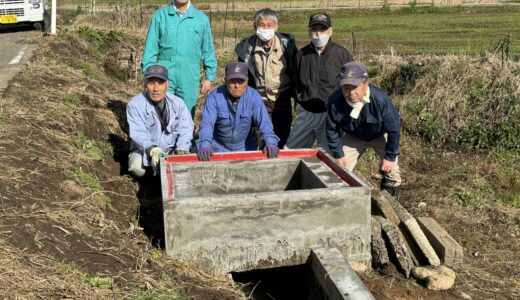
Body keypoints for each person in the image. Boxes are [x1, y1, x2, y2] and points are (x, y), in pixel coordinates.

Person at [326, 61, 401, 197]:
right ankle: (341, 200)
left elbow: (394, 130)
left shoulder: (381, 100)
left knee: (392, 171)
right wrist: (338, 153)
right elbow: (332, 129)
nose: (351, 93)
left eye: (355, 87)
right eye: (346, 88)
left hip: (379, 135)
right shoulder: (335, 100)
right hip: (353, 136)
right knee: (338, 170)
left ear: (365, 85)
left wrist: (389, 157)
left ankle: (390, 200)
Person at [285, 12, 353, 153]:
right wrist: (301, 99)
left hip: (330, 115)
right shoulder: (301, 55)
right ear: (309, 31)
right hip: (306, 113)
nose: (318, 33)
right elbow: (294, 82)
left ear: (330, 31)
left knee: (330, 157)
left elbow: (351, 83)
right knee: (290, 152)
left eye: (322, 29)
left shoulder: (342, 55)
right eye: (314, 29)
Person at [234, 8, 297, 148]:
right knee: (260, 137)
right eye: (262, 25)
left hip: (282, 98)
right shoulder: (246, 48)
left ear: (276, 27)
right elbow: (242, 75)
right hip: (259, 99)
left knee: (282, 136)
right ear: (255, 27)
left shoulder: (287, 46)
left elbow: (295, 71)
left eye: (269, 25)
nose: (266, 28)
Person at [141, 0, 217, 116]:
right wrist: (149, 75)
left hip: (189, 74)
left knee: (186, 113)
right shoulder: (160, 16)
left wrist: (209, 77)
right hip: (163, 73)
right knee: (161, 111)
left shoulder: (201, 19)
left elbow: (208, 50)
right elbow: (150, 48)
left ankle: (186, 134)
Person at [197, 62, 280, 161]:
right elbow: (207, 124)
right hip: (218, 149)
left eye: (241, 81)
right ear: (225, 81)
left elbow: (264, 122)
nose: (237, 86)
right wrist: (205, 144)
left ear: (247, 81)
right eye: (232, 81)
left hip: (246, 150)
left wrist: (270, 142)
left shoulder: (254, 96)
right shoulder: (214, 97)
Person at [127, 65, 194, 177]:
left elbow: (186, 129)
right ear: (145, 84)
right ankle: (149, 180)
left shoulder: (178, 104)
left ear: (167, 84)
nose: (156, 89)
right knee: (137, 168)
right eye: (152, 83)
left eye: (161, 83)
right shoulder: (134, 105)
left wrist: (181, 149)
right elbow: (138, 132)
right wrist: (152, 150)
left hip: (170, 150)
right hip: (145, 150)